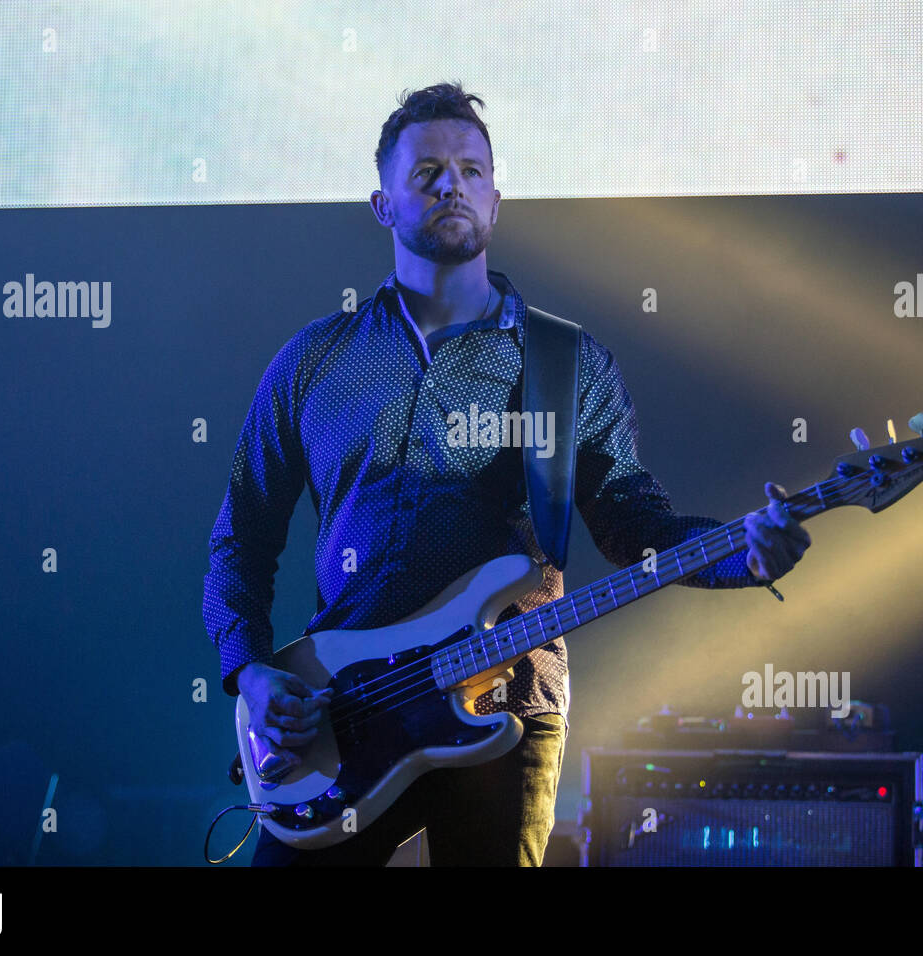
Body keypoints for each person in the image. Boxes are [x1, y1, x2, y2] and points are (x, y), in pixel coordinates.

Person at [202, 81, 811, 867]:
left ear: (496, 201)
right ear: (383, 204)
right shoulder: (315, 361)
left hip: (507, 711)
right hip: (342, 716)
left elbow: (637, 526)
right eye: (427, 173)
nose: (452, 183)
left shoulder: (567, 364)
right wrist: (251, 674)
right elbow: (240, 541)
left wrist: (746, 554)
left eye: (471, 170)